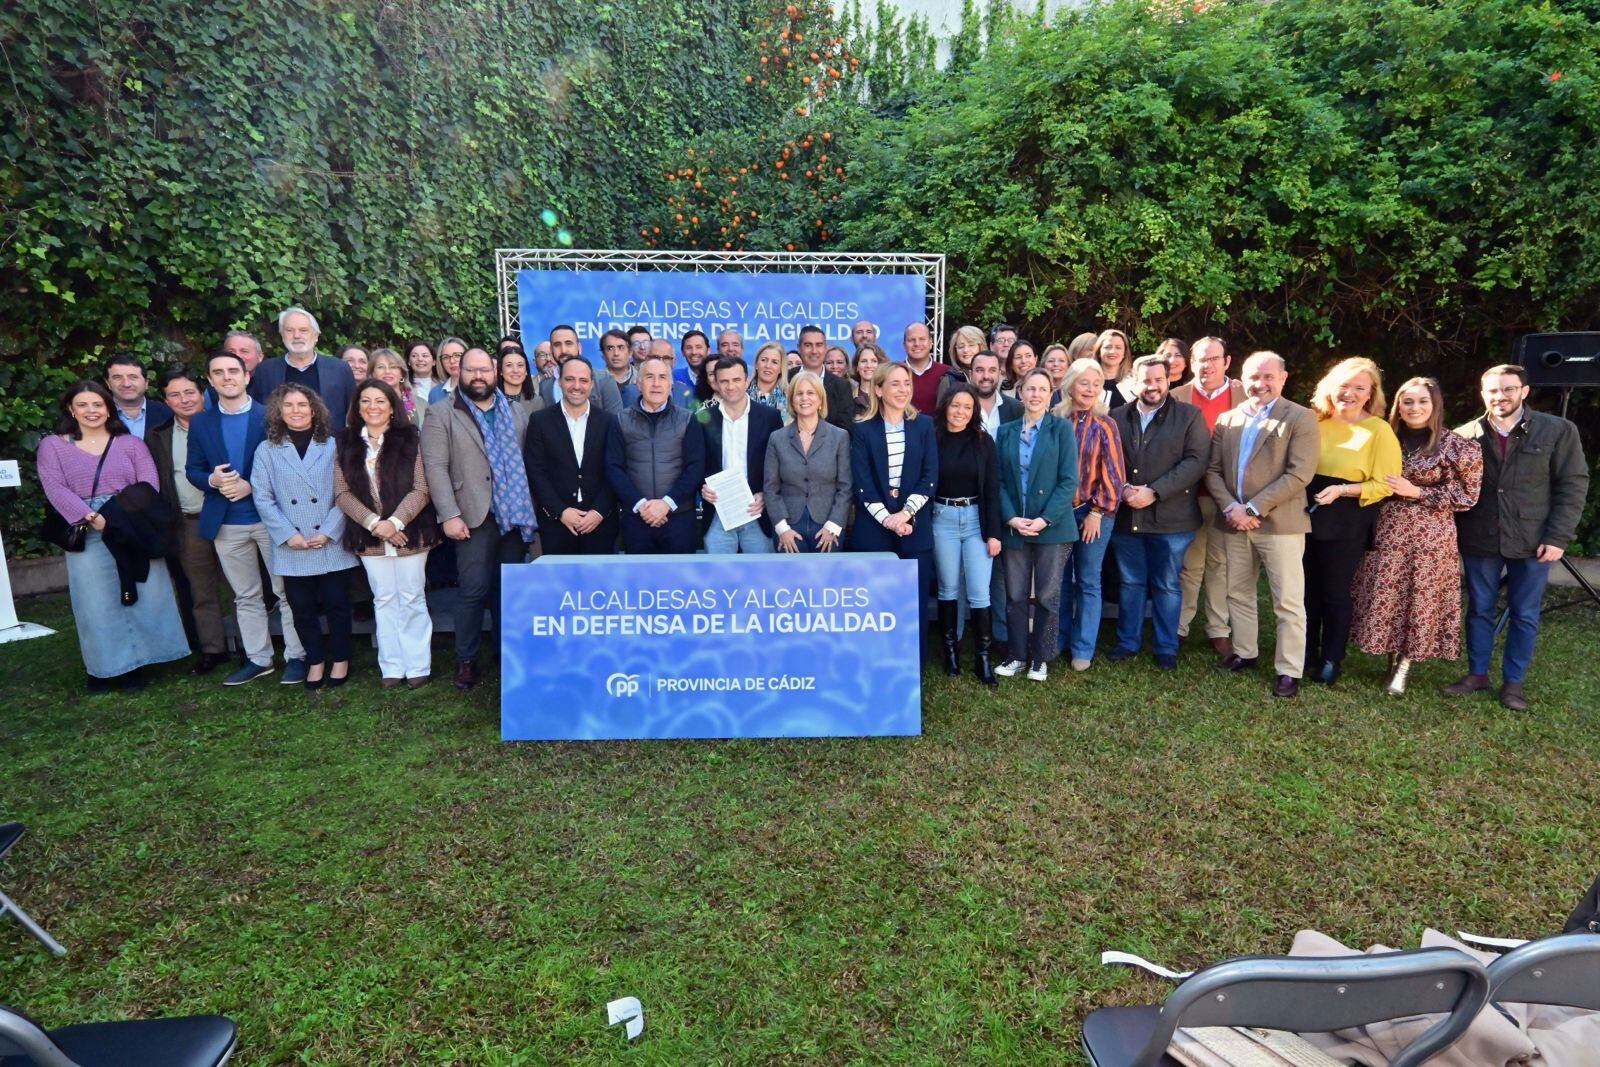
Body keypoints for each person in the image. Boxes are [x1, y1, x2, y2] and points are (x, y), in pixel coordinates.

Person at [1447, 363, 1589, 710]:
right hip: (1480, 536)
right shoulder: (1463, 436)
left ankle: (1513, 684)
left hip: (1532, 539)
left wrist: (1558, 537)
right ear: (1483, 394)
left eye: (1508, 389)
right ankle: (1477, 674)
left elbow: (1573, 484)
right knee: (1479, 609)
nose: (1501, 396)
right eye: (1493, 390)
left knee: (1524, 613)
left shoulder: (1557, 431)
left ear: (1524, 391)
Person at [37, 380, 190, 691]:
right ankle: (105, 668)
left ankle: (140, 662)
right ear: (71, 409)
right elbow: (54, 487)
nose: (91, 411)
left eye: (97, 404)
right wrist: (92, 517)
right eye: (83, 405)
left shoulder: (130, 444)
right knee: (96, 602)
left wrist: (119, 520)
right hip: (86, 528)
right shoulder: (53, 445)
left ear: (109, 408)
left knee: (145, 593)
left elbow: (148, 483)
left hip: (130, 524)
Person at [1350, 378, 1482, 694]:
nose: (1415, 408)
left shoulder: (1457, 445)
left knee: (1421, 599)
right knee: (1390, 595)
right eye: (1407, 401)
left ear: (1435, 404)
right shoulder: (1385, 438)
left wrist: (1418, 492)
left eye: (1423, 401)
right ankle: (1390, 659)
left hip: (1431, 536)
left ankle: (1405, 667)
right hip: (1388, 529)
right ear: (1398, 405)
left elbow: (1469, 495)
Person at [185, 350, 308, 685]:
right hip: (226, 523)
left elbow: (288, 465)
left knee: (286, 591)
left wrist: (250, 486)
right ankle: (258, 658)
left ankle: (297, 656)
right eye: (218, 373)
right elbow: (192, 470)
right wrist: (212, 480)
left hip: (273, 520)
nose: (227, 377)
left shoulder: (269, 417)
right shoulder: (201, 422)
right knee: (246, 595)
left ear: (246, 376)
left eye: (233, 371)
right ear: (210, 381)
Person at [1204, 351, 1320, 698]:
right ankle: (1245, 651)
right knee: (1237, 592)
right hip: (1233, 522)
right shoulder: (1228, 419)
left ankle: (1288, 670)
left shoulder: (1300, 418)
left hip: (1279, 524)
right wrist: (1231, 508)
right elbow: (1212, 471)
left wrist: (1253, 508)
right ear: (1243, 378)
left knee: (1287, 601)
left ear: (1283, 379)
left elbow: (1300, 473)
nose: (1260, 384)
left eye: (1268, 377)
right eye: (1254, 377)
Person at [421, 347, 536, 690]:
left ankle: (506, 652)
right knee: (473, 589)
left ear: (495, 372)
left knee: (507, 589)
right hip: (471, 514)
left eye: (484, 370)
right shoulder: (440, 413)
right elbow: (435, 468)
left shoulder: (515, 411)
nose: (478, 376)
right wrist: (449, 515)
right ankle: (466, 659)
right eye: (470, 370)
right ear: (459, 373)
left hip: (512, 513)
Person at [251, 384, 359, 690]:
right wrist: (287, 535)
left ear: (314, 409)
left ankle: (340, 659)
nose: (296, 411)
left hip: (330, 539)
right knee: (302, 608)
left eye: (302, 405)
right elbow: (262, 497)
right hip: (292, 544)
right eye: (289, 405)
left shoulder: (334, 444)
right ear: (278, 412)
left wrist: (328, 531)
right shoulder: (267, 450)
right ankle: (314, 660)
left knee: (337, 604)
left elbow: (347, 491)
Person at [1301, 357, 1401, 685]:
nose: (1350, 393)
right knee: (1304, 590)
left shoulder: (1378, 430)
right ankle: (1304, 653)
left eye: (1360, 387)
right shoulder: (1313, 420)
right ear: (1331, 387)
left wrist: (1342, 490)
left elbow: (1386, 484)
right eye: (1345, 385)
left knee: (1334, 591)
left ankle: (1331, 658)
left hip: (1344, 517)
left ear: (1371, 393)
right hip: (1302, 512)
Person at [335, 378, 440, 688]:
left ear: (392, 408)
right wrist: (374, 524)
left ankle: (418, 664)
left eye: (380, 401)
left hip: (411, 533)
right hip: (368, 537)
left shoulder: (412, 439)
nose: (373, 407)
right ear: (357, 408)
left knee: (411, 597)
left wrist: (394, 523)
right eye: (365, 401)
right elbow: (341, 493)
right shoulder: (345, 442)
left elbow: (422, 488)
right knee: (383, 599)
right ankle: (392, 667)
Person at [1107, 355, 1209, 670]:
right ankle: (1128, 642)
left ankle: (1166, 647)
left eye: (1158, 380)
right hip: (1127, 516)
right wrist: (1123, 488)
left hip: (1172, 519)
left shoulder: (1189, 416)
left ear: (1168, 381)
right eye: (1145, 380)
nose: (1152, 386)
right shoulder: (1115, 417)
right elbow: (1107, 460)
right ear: (1134, 382)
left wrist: (1155, 492)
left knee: (1166, 584)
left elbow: (1195, 462)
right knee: (1131, 582)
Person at [995, 368, 1079, 681]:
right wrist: (1012, 518)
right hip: (1015, 525)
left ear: (1050, 394)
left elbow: (1068, 480)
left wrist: (1044, 520)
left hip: (1052, 528)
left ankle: (1040, 659)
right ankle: (1016, 656)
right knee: (1015, 595)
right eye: (1030, 388)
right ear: (1021, 392)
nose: (1035, 394)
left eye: (1042, 389)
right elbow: (999, 480)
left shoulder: (1061, 430)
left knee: (1046, 596)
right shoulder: (1005, 431)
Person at [146, 367, 229, 674]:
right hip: (188, 521)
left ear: (203, 393)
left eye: (189, 392)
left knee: (242, 586)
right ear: (165, 401)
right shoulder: (157, 437)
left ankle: (251, 645)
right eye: (175, 395)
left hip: (229, 516)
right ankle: (213, 648)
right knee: (201, 589)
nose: (184, 400)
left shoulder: (224, 423)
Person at [851, 362, 939, 641]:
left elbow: (930, 476)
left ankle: (915, 665)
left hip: (915, 529)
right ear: (878, 389)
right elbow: (862, 482)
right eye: (895, 383)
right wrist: (888, 519)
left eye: (906, 383)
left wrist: (905, 514)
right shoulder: (862, 430)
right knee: (876, 605)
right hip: (874, 531)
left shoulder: (924, 425)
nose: (903, 390)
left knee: (913, 603)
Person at [1173, 336, 1245, 654]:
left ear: (1227, 362)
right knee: (1190, 565)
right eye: (1201, 359)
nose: (1207, 365)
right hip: (1187, 495)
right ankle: (1179, 627)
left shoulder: (1246, 395)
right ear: (1192, 363)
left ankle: (1218, 628)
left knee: (1220, 563)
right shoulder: (1176, 396)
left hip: (1228, 496)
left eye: (1214, 358)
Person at [1053, 358, 1125, 670]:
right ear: (1070, 384)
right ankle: (1058, 640)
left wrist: (1096, 512)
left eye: (1096, 385)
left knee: (1087, 579)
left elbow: (1114, 474)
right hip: (1059, 512)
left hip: (1094, 511)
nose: (1091, 389)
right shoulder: (1054, 420)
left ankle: (1083, 647)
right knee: (1059, 580)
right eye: (1084, 383)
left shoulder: (1105, 424)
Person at [931, 382, 1003, 684]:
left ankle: (982, 658)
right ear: (946, 406)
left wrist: (994, 533)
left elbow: (992, 489)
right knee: (948, 588)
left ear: (974, 412)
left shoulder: (983, 442)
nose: (960, 412)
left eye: (967, 407)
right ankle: (950, 653)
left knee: (979, 590)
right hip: (942, 517)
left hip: (976, 519)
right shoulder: (931, 438)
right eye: (955, 405)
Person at [607, 355, 706, 553]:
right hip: (636, 518)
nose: (656, 383)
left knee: (682, 581)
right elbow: (613, 467)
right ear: (638, 382)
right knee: (640, 582)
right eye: (649, 377)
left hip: (678, 517)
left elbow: (695, 467)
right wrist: (641, 505)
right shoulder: (620, 420)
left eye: (662, 377)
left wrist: (666, 504)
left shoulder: (687, 419)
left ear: (671, 384)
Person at [525, 356, 619, 556]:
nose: (577, 386)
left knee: (599, 586)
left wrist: (598, 512)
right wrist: (561, 511)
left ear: (592, 384)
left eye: (583, 380)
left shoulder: (609, 422)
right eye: (570, 379)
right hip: (556, 525)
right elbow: (536, 472)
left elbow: (616, 470)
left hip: (600, 525)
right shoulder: (540, 421)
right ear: (559, 381)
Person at [765, 371, 852, 554]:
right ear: (792, 400)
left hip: (828, 528)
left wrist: (834, 526)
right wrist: (782, 528)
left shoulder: (839, 436)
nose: (805, 398)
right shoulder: (777, 438)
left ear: (820, 400)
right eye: (799, 393)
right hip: (789, 529)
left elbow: (845, 486)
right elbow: (771, 488)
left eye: (811, 393)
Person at [701, 356, 782, 554]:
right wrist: (701, 487)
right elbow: (697, 462)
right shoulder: (703, 419)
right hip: (718, 511)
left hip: (757, 510)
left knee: (762, 577)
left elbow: (779, 463)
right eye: (724, 381)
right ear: (716, 384)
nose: (730, 386)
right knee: (718, 576)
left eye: (736, 380)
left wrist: (766, 494)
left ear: (747, 380)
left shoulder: (770, 417)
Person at [247, 307, 357, 431]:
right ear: (282, 336)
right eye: (289, 330)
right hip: (278, 446)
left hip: (331, 446)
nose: (297, 336)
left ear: (315, 336)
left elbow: (354, 412)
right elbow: (255, 413)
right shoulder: (265, 370)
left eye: (303, 330)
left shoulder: (339, 369)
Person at [541, 325, 625, 412]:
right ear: (551, 350)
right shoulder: (545, 385)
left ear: (579, 348)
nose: (563, 350)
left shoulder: (604, 380)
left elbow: (616, 421)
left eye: (568, 343)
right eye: (557, 345)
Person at [792, 325, 855, 433]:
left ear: (825, 348)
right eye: (808, 345)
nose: (814, 351)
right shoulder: (786, 378)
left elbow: (845, 430)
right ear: (799, 347)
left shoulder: (841, 386)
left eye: (819, 345)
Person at [103, 353, 172, 439]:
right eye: (117, 377)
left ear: (146, 383)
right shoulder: (97, 415)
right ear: (108, 383)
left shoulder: (168, 414)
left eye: (133, 377)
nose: (126, 384)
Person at [903, 321, 954, 414]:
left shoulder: (948, 373)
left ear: (931, 343)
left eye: (922, 339)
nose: (917, 344)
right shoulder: (893, 373)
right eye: (911, 340)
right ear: (904, 345)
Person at [370, 348, 424, 426]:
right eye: (381, 367)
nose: (387, 371)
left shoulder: (421, 404)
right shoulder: (363, 402)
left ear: (402, 373)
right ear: (372, 373)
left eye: (393, 367)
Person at [498, 344, 545, 418]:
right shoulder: (490, 400)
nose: (515, 370)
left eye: (520, 365)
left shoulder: (537, 402)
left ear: (526, 371)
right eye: (509, 365)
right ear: (500, 370)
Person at [749, 341, 790, 423]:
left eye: (774, 362)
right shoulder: (742, 393)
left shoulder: (790, 396)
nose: (768, 366)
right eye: (764, 360)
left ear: (781, 368)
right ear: (756, 364)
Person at [1094, 329, 1135, 409]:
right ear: (1099, 352)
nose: (1112, 351)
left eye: (1118, 347)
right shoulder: (1089, 380)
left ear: (1124, 353)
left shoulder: (1134, 381)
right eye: (1107, 347)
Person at [851, 343, 886, 415]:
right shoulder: (848, 396)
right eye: (864, 361)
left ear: (881, 365)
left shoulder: (888, 396)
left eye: (874, 361)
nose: (868, 366)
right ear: (857, 366)